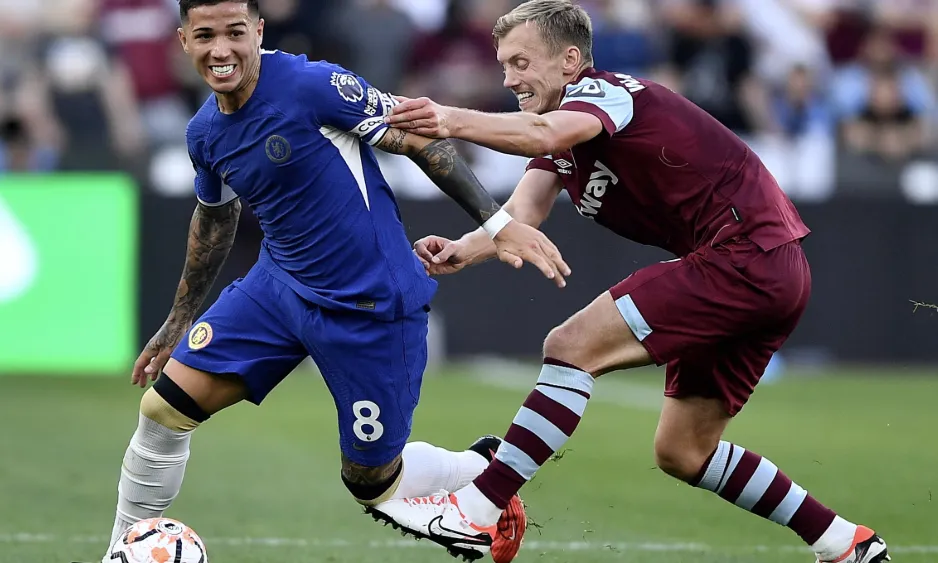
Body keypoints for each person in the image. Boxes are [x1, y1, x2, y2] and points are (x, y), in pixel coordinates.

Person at [370, 2, 890, 563]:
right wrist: (461, 250)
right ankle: (845, 543)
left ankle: (476, 510)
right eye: (503, 66)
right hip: (766, 269)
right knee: (684, 451)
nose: (509, 79)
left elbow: (540, 133)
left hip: (744, 255)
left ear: (570, 60)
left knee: (571, 346)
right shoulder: (562, 138)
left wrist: (447, 119)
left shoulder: (607, 93)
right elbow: (521, 213)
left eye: (521, 62)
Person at [94, 1, 572, 562]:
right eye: (204, 36)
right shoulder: (205, 132)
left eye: (234, 33)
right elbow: (216, 216)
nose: (220, 50)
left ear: (258, 31)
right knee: (162, 412)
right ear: (183, 40)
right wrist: (180, 318)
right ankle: (119, 553)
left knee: (372, 483)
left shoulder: (313, 85)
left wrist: (497, 225)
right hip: (277, 290)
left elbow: (417, 138)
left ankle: (479, 469)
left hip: (371, 308)